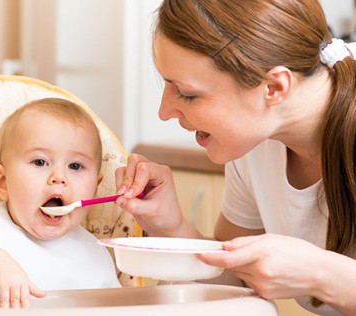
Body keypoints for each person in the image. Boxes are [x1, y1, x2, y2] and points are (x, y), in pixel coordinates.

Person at [115, 0, 356, 315]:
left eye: (187, 93)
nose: (164, 112)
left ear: (274, 87)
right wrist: (171, 227)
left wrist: (322, 274)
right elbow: (233, 281)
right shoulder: (253, 139)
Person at [0, 98, 120, 308]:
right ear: (2, 181)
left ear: (95, 189)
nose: (59, 177)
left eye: (75, 165)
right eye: (40, 162)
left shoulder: (96, 253)